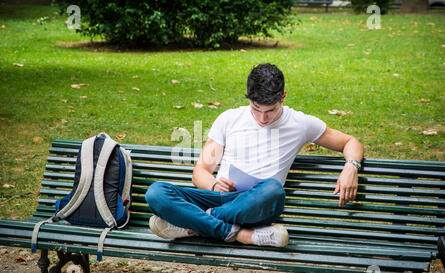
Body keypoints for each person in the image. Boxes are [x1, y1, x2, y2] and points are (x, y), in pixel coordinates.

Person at [145, 63, 363, 247]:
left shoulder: (301, 123)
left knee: (273, 190)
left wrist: (351, 166)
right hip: (220, 197)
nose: (262, 118)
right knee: (156, 192)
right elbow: (201, 171)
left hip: (256, 204)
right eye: (256, 108)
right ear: (248, 98)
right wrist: (213, 185)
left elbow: (349, 142)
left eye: (270, 110)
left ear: (283, 97)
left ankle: (194, 225)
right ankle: (242, 235)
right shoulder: (229, 119)